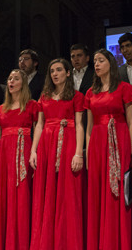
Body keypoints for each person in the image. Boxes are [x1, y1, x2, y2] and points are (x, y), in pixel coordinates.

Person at [29, 59, 85, 250]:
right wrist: (33, 151)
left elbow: (79, 125)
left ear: (68, 73)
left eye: (59, 70)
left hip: (68, 141)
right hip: (46, 144)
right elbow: (39, 124)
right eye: (52, 70)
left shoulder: (77, 96)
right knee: (47, 191)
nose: (55, 74)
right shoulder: (44, 97)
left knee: (67, 192)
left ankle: (67, 242)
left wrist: (79, 153)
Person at [85, 49, 132, 250]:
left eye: (100, 60)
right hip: (98, 142)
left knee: (117, 187)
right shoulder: (90, 92)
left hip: (120, 138)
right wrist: (88, 152)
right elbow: (89, 127)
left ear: (110, 63)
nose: (96, 64)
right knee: (99, 191)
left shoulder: (124, 88)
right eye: (95, 61)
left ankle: (119, 241)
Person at [0, 69, 39, 250]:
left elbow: (39, 129)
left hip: (23, 151)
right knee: (3, 197)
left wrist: (34, 152)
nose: (11, 81)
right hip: (3, 155)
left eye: (15, 78)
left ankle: (21, 241)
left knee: (22, 195)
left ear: (23, 83)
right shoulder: (1, 108)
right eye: (9, 78)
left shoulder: (31, 105)